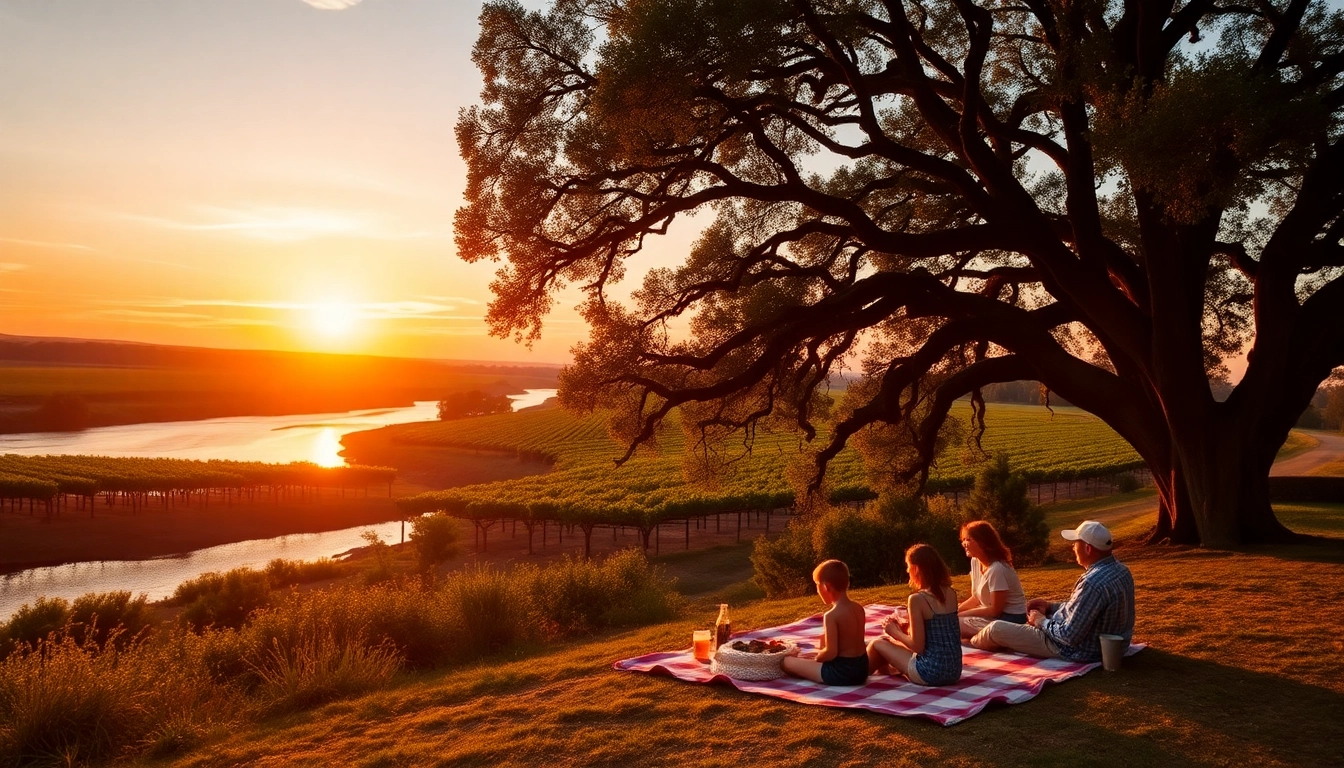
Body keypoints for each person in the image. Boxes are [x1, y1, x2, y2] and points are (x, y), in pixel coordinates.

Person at [969, 520, 1134, 663]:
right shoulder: (1121, 570)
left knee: (996, 629)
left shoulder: (1091, 582)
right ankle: (977, 637)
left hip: (1077, 651)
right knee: (997, 627)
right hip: (1111, 647)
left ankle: (970, 645)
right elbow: (1085, 609)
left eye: (1075, 543)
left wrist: (1040, 621)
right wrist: (1050, 607)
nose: (1072, 547)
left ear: (1088, 549)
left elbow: (1069, 636)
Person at [867, 544, 962, 687]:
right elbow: (937, 637)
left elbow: (918, 647)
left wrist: (893, 631)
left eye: (908, 566)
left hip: (930, 672)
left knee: (877, 643)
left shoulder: (917, 599)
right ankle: (885, 673)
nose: (907, 570)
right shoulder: (951, 593)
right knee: (886, 642)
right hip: (953, 671)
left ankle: (854, 676)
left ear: (916, 568)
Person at [781, 559, 870, 686]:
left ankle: (810, 671)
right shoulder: (858, 608)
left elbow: (831, 652)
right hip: (862, 669)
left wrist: (818, 658)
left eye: (817, 585)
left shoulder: (831, 615)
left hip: (842, 673)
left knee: (787, 662)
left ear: (826, 587)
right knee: (823, 639)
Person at [956, 520, 1028, 638]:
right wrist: (956, 611)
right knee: (953, 620)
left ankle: (993, 640)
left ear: (983, 542)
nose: (964, 543)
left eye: (968, 539)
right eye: (963, 540)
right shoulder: (975, 562)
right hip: (993, 615)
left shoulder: (997, 569)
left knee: (955, 624)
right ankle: (984, 640)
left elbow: (995, 610)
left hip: (1011, 618)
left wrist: (960, 615)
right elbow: (976, 597)